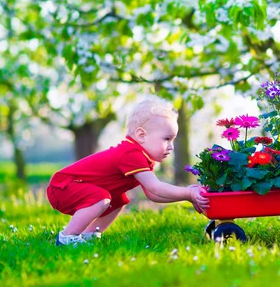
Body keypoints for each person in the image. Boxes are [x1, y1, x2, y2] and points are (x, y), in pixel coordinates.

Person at [46, 96, 209, 246]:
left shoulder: (142, 158)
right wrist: (188, 193)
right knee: (101, 198)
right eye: (166, 139)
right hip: (63, 186)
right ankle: (67, 237)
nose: (171, 147)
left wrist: (187, 195)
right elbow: (156, 188)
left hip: (70, 186)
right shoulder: (131, 154)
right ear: (141, 135)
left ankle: (90, 235)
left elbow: (153, 195)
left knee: (119, 199)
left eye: (172, 140)